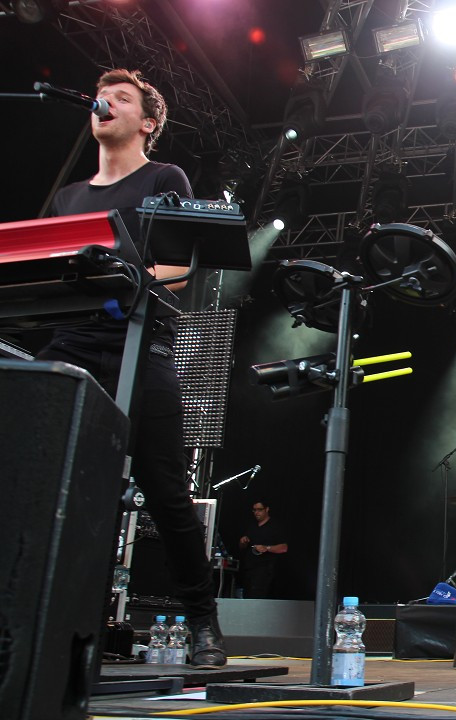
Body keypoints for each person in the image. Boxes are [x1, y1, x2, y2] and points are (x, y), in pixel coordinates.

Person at [35, 68, 226, 667]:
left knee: (167, 491)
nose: (106, 104)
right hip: (73, 342)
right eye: (104, 97)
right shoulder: (69, 197)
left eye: (123, 98)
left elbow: (177, 267)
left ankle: (202, 625)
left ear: (147, 123)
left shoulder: (164, 178)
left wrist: (125, 276)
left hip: (140, 344)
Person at [238, 500, 288, 599]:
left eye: (259, 510)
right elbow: (241, 547)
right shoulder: (252, 526)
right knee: (246, 597)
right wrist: (243, 541)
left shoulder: (275, 526)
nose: (256, 513)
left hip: (265, 571)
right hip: (249, 570)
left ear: (267, 509)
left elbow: (284, 548)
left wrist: (267, 548)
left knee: (258, 597)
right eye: (254, 510)